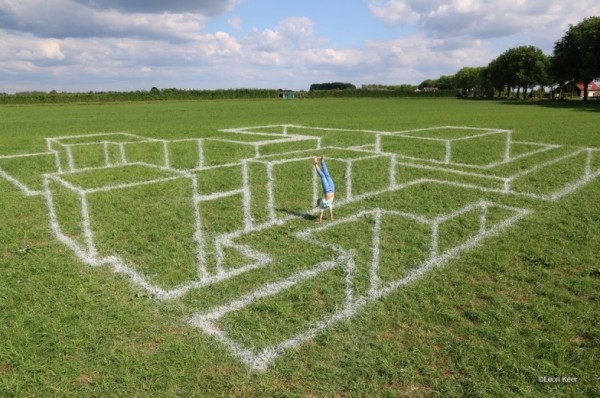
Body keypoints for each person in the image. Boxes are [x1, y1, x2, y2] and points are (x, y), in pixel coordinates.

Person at [313, 155, 335, 223]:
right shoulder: (326, 205)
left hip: (329, 190)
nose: (320, 199)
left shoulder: (322, 206)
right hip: (331, 189)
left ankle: (316, 164)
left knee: (323, 176)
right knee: (326, 175)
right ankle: (321, 162)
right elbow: (330, 213)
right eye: (319, 200)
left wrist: (320, 221)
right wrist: (331, 219)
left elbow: (322, 214)